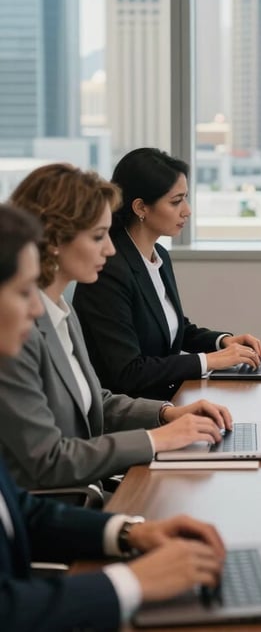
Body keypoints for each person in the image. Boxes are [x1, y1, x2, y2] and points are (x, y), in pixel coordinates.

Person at [0, 202, 225, 631]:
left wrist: (128, 532)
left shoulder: (61, 316)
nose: (35, 311)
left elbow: (21, 512)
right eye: (22, 292)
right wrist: (132, 582)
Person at [0, 163, 233, 493]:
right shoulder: (18, 333)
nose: (110, 249)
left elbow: (97, 402)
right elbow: (48, 460)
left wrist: (167, 414)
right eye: (98, 237)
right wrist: (154, 440)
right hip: (64, 505)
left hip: (89, 484)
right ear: (53, 239)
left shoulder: (62, 312)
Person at [73, 148, 261, 400]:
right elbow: (128, 372)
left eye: (185, 198)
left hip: (167, 397)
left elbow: (173, 327)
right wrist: (208, 361)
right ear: (141, 207)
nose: (187, 210)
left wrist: (222, 342)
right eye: (176, 201)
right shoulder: (109, 270)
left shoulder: (158, 254)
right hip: (132, 412)